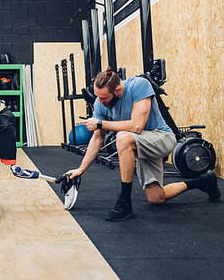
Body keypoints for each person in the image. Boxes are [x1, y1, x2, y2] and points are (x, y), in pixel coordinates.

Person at [66, 67, 221, 221]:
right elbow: (97, 138)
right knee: (156, 198)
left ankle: (125, 201)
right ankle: (204, 181)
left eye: (104, 98)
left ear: (118, 90)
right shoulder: (101, 103)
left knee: (123, 137)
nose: (99, 102)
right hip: (141, 144)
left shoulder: (139, 85)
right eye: (98, 97)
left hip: (161, 138)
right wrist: (81, 169)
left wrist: (100, 123)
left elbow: (136, 126)